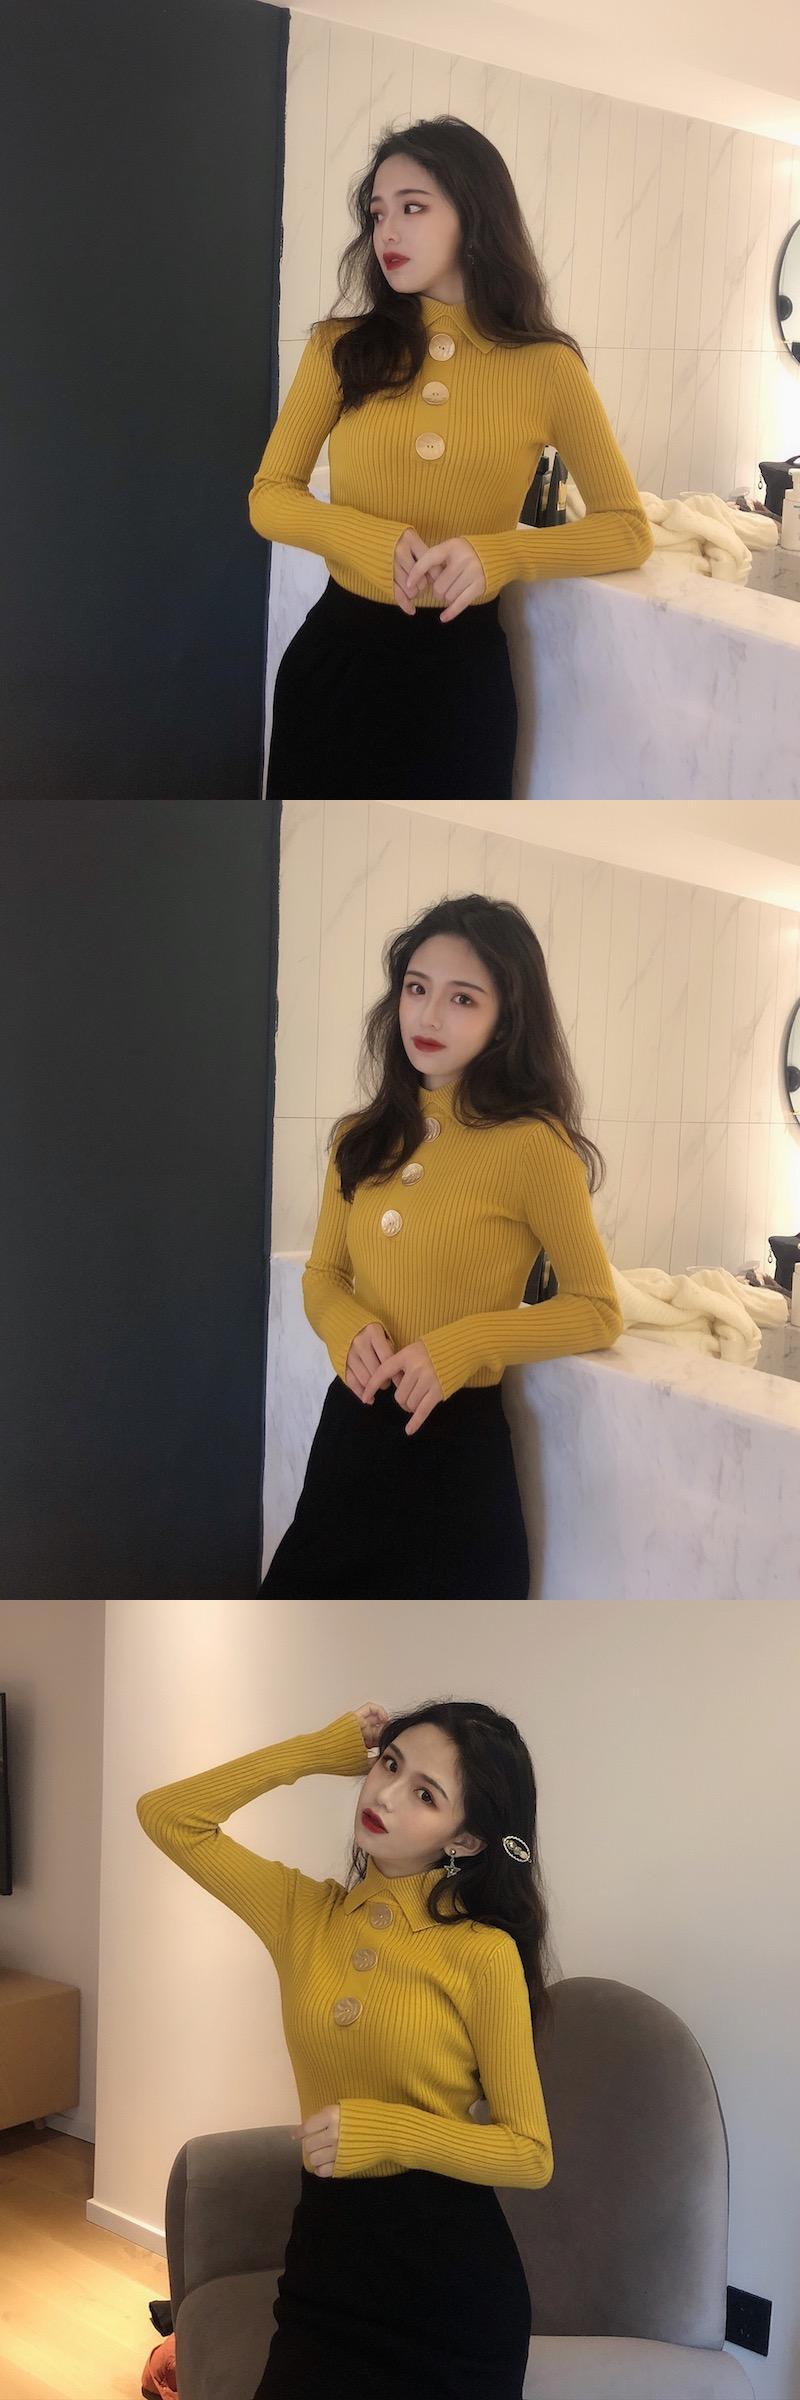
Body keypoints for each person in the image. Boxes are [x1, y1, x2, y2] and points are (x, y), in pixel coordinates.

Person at [136, 1694, 556, 2400]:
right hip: (327, 2262)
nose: (385, 1795)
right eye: (389, 1765)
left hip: (450, 2288)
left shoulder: (482, 1954)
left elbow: (530, 2153)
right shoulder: (302, 1913)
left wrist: (386, 2131)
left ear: (465, 1840)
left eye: (424, 1793)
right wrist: (318, 1750)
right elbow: (168, 1815)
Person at [248, 115, 653, 800]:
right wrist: (362, 539)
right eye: (378, 213)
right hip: (336, 668)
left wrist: (502, 556)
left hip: (462, 685)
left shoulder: (548, 367)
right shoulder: (339, 348)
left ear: (475, 214)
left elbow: (628, 528)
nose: (387, 233)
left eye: (413, 207)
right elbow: (270, 495)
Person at [261, 890, 623, 1600]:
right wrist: (346, 1327)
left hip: (454, 1454)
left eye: (462, 999)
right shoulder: (360, 1137)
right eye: (416, 988)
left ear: (504, 1020)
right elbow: (324, 1273)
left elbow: (597, 1309)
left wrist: (466, 1344)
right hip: (352, 1435)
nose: (428, 1017)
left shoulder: (534, 1146)